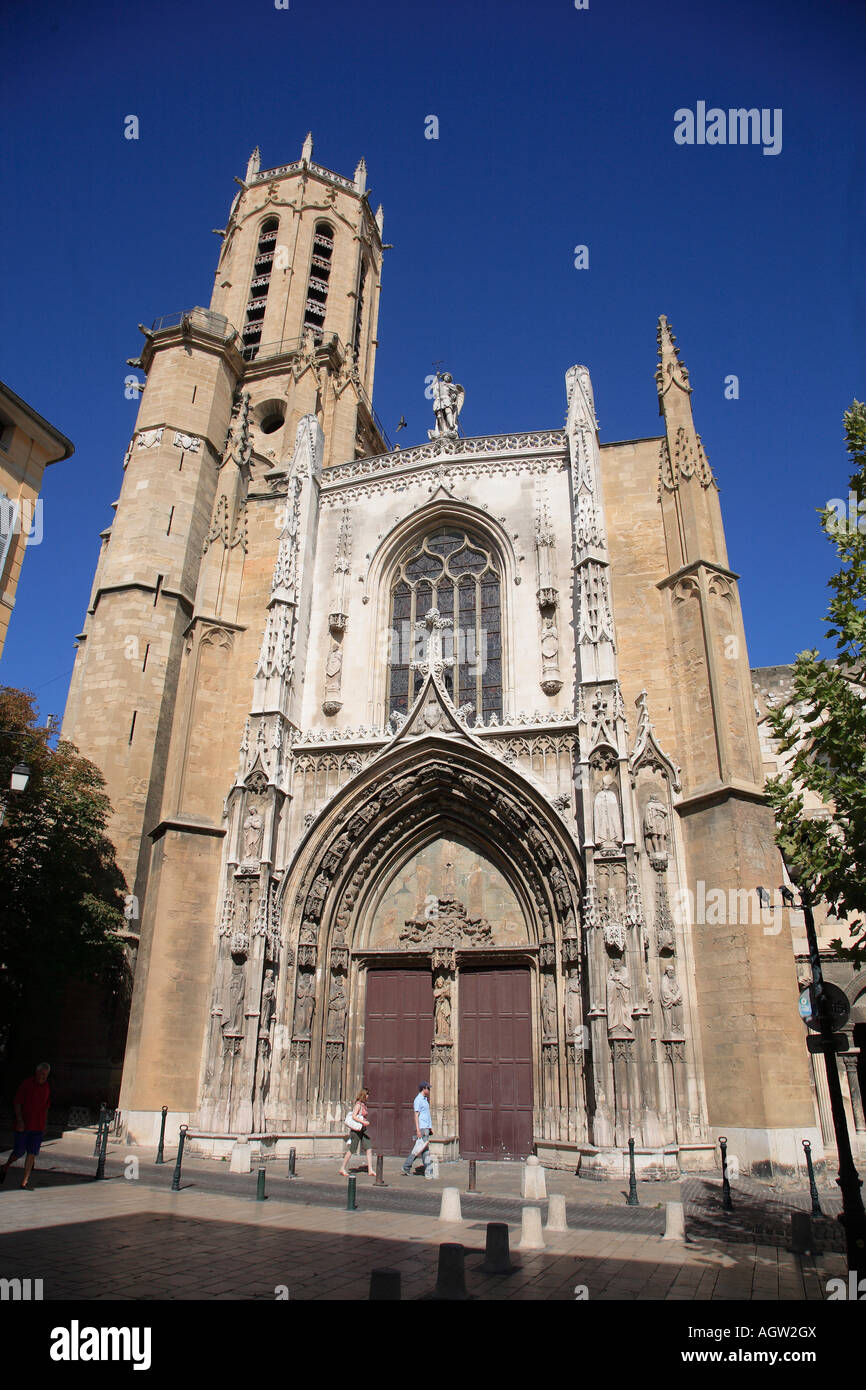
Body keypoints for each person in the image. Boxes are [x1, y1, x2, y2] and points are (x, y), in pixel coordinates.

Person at [0, 1063, 51, 1190]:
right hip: (24, 1125)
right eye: (41, 1074)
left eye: (45, 1075)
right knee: (19, 1151)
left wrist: (44, 1123)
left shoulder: (46, 1087)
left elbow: (46, 1107)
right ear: (37, 1072)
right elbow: (17, 1102)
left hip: (37, 1126)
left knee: (32, 1153)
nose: (43, 1077)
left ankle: (25, 1181)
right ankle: (5, 1166)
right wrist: (20, 1120)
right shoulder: (26, 1084)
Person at [339, 1088, 375, 1178]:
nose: (368, 1096)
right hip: (356, 1131)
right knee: (352, 1150)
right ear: (363, 1095)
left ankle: (370, 1169)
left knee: (369, 1148)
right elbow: (354, 1116)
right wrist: (363, 1122)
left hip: (363, 1130)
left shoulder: (363, 1105)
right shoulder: (358, 1105)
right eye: (367, 1094)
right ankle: (342, 1168)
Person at [401, 1081, 434, 1178]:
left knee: (423, 1149)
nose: (429, 1090)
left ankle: (427, 1171)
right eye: (428, 1088)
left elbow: (426, 1115)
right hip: (422, 1128)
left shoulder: (425, 1099)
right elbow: (416, 1115)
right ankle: (427, 1171)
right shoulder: (418, 1100)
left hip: (426, 1127)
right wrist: (418, 1130)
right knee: (421, 1149)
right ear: (424, 1089)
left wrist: (430, 1127)